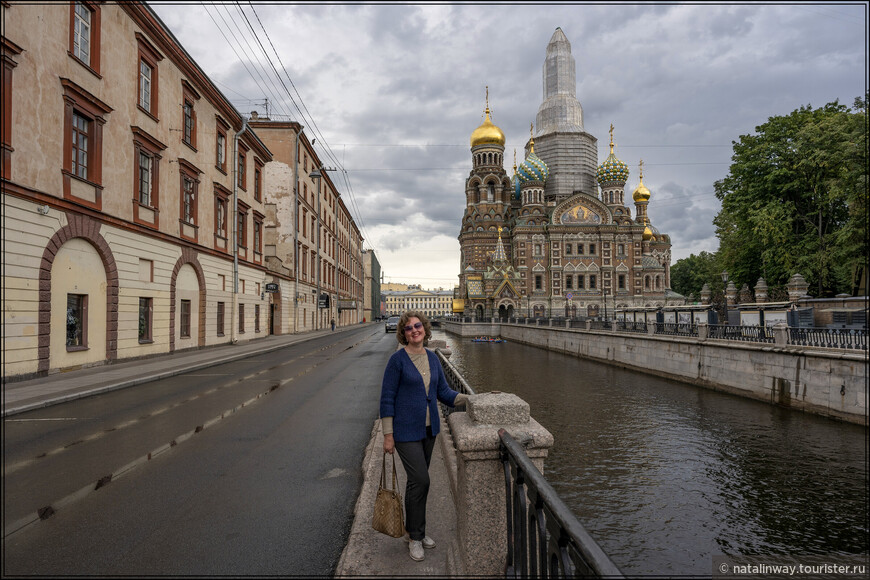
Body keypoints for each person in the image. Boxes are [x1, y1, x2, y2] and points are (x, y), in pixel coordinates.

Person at [379, 310, 468, 562]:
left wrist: (470, 399)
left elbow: (444, 392)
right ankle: (416, 538)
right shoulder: (397, 361)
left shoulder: (432, 358)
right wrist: (388, 435)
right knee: (421, 480)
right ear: (403, 333)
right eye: (409, 328)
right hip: (405, 432)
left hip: (429, 431)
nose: (415, 330)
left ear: (425, 328)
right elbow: (387, 398)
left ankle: (414, 531)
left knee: (416, 484)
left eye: (418, 326)